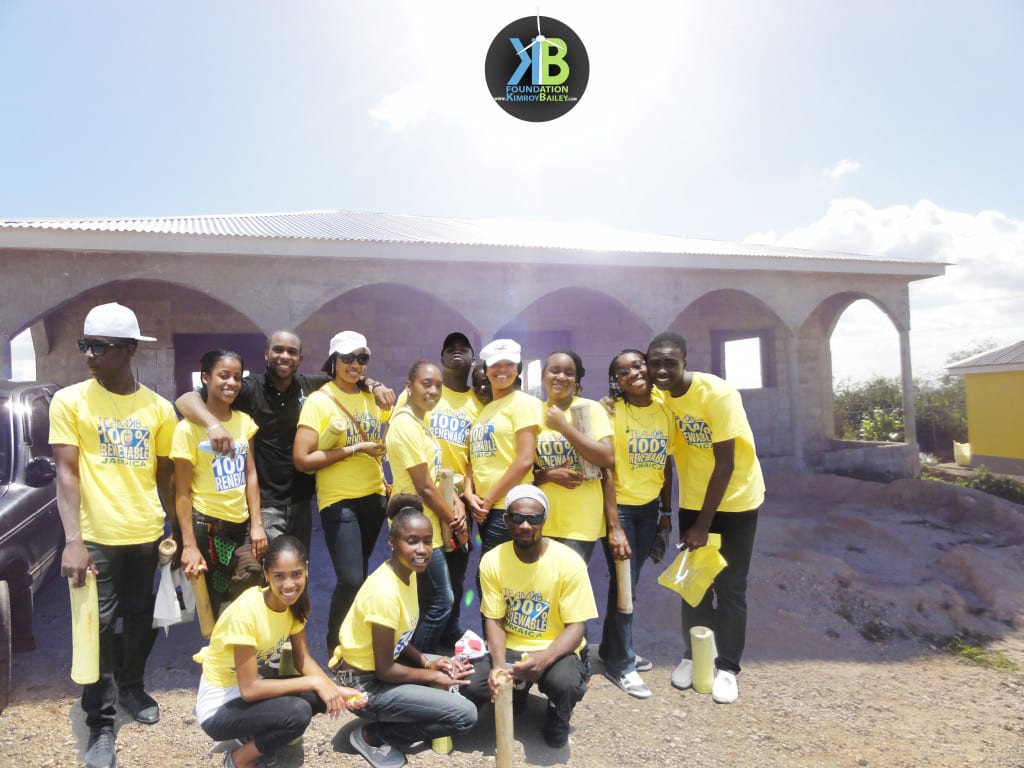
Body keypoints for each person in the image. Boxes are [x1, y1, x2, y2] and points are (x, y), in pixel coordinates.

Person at [49, 302, 178, 768]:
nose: (87, 354)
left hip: (145, 533)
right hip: (95, 538)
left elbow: (165, 474)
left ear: (127, 350)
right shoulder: (70, 400)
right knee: (97, 629)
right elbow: (67, 474)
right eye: (85, 344)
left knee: (142, 619)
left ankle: (132, 686)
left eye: (96, 346)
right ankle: (100, 722)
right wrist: (73, 540)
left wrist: (177, 530)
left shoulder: (159, 408)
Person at [176, 330, 394, 554]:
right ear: (266, 354)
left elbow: (349, 376)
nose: (285, 356)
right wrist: (213, 425)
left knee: (299, 571)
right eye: (278, 350)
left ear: (300, 358)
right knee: (271, 573)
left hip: (301, 500)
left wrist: (374, 384)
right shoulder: (249, 388)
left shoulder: (310, 387)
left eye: (292, 352)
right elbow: (185, 400)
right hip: (266, 501)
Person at [646, 331, 765, 704]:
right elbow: (663, 458)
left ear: (685, 360)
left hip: (736, 500)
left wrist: (702, 526)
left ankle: (728, 667)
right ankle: (695, 655)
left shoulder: (718, 394)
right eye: (655, 363)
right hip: (694, 502)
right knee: (693, 583)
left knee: (730, 585)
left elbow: (726, 462)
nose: (661, 370)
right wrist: (669, 513)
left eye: (670, 362)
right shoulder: (659, 398)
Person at [330, 495, 478, 768]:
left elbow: (399, 638)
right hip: (364, 685)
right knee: (465, 716)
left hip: (381, 669)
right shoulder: (384, 592)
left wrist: (426, 661)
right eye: (412, 541)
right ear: (392, 544)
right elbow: (385, 669)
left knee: (464, 672)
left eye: (427, 540)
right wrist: (431, 674)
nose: (422, 549)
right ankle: (371, 736)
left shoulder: (407, 574)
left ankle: (410, 708)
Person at [195, 535, 368, 768]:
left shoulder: (295, 606)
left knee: (317, 698)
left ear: (306, 569)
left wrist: (334, 690)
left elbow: (302, 658)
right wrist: (317, 683)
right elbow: (249, 689)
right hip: (218, 710)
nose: (289, 585)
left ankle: (254, 734)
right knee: (297, 714)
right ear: (266, 574)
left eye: (296, 574)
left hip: (245, 694)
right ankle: (240, 759)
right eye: (279, 576)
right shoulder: (246, 612)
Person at [462, 486, 597, 748]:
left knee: (566, 682)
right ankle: (516, 693)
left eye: (534, 518)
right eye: (517, 517)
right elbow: (494, 619)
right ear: (506, 520)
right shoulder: (492, 561)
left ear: (544, 520)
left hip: (555, 650)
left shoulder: (569, 562)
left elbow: (577, 626)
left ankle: (559, 714)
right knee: (470, 683)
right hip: (512, 648)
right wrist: (499, 667)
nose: (525, 525)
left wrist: (543, 659)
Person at [293, 331, 390, 656]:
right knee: (350, 578)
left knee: (359, 576)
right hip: (339, 500)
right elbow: (304, 459)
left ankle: (354, 645)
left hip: (374, 496)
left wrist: (377, 387)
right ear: (333, 361)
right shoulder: (320, 400)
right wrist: (354, 449)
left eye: (362, 358)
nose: (355, 364)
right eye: (348, 358)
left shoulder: (371, 397)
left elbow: (387, 432)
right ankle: (336, 646)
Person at [597, 350, 676, 699]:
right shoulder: (612, 412)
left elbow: (667, 463)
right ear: (617, 380)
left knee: (628, 582)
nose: (633, 373)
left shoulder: (665, 406)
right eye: (622, 371)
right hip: (621, 510)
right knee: (625, 583)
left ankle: (611, 651)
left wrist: (665, 512)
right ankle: (623, 663)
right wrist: (613, 525)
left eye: (637, 364)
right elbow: (606, 470)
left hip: (649, 510)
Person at [171, 349, 263, 616]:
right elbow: (182, 492)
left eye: (237, 377)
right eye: (223, 376)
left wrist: (256, 524)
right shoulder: (187, 429)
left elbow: (251, 474)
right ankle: (217, 656)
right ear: (205, 378)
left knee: (249, 590)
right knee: (213, 603)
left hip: (242, 525)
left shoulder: (245, 422)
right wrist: (188, 544)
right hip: (207, 527)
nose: (231, 383)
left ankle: (245, 655)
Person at [385, 360, 467, 654]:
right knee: (441, 600)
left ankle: (419, 658)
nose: (433, 390)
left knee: (426, 599)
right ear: (409, 387)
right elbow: (424, 486)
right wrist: (454, 521)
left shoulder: (423, 421)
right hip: (415, 525)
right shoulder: (405, 425)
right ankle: (417, 661)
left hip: (430, 519)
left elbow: (438, 474)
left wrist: (455, 501)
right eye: (426, 384)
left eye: (438, 385)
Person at [533, 350, 615, 565]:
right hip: (540, 520)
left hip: (580, 522)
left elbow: (607, 458)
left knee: (568, 589)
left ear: (576, 380)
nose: (561, 377)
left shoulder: (591, 409)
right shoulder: (532, 412)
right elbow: (525, 470)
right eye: (554, 371)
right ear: (543, 375)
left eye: (569, 373)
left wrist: (564, 427)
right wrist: (548, 475)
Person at [465, 339, 541, 556]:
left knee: (491, 574)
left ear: (518, 370)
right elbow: (474, 459)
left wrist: (488, 501)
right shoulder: (485, 410)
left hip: (509, 507)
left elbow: (525, 460)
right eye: (496, 365)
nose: (502, 370)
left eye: (509, 365)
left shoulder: (522, 403)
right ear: (486, 370)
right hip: (484, 508)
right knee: (494, 571)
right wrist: (470, 494)